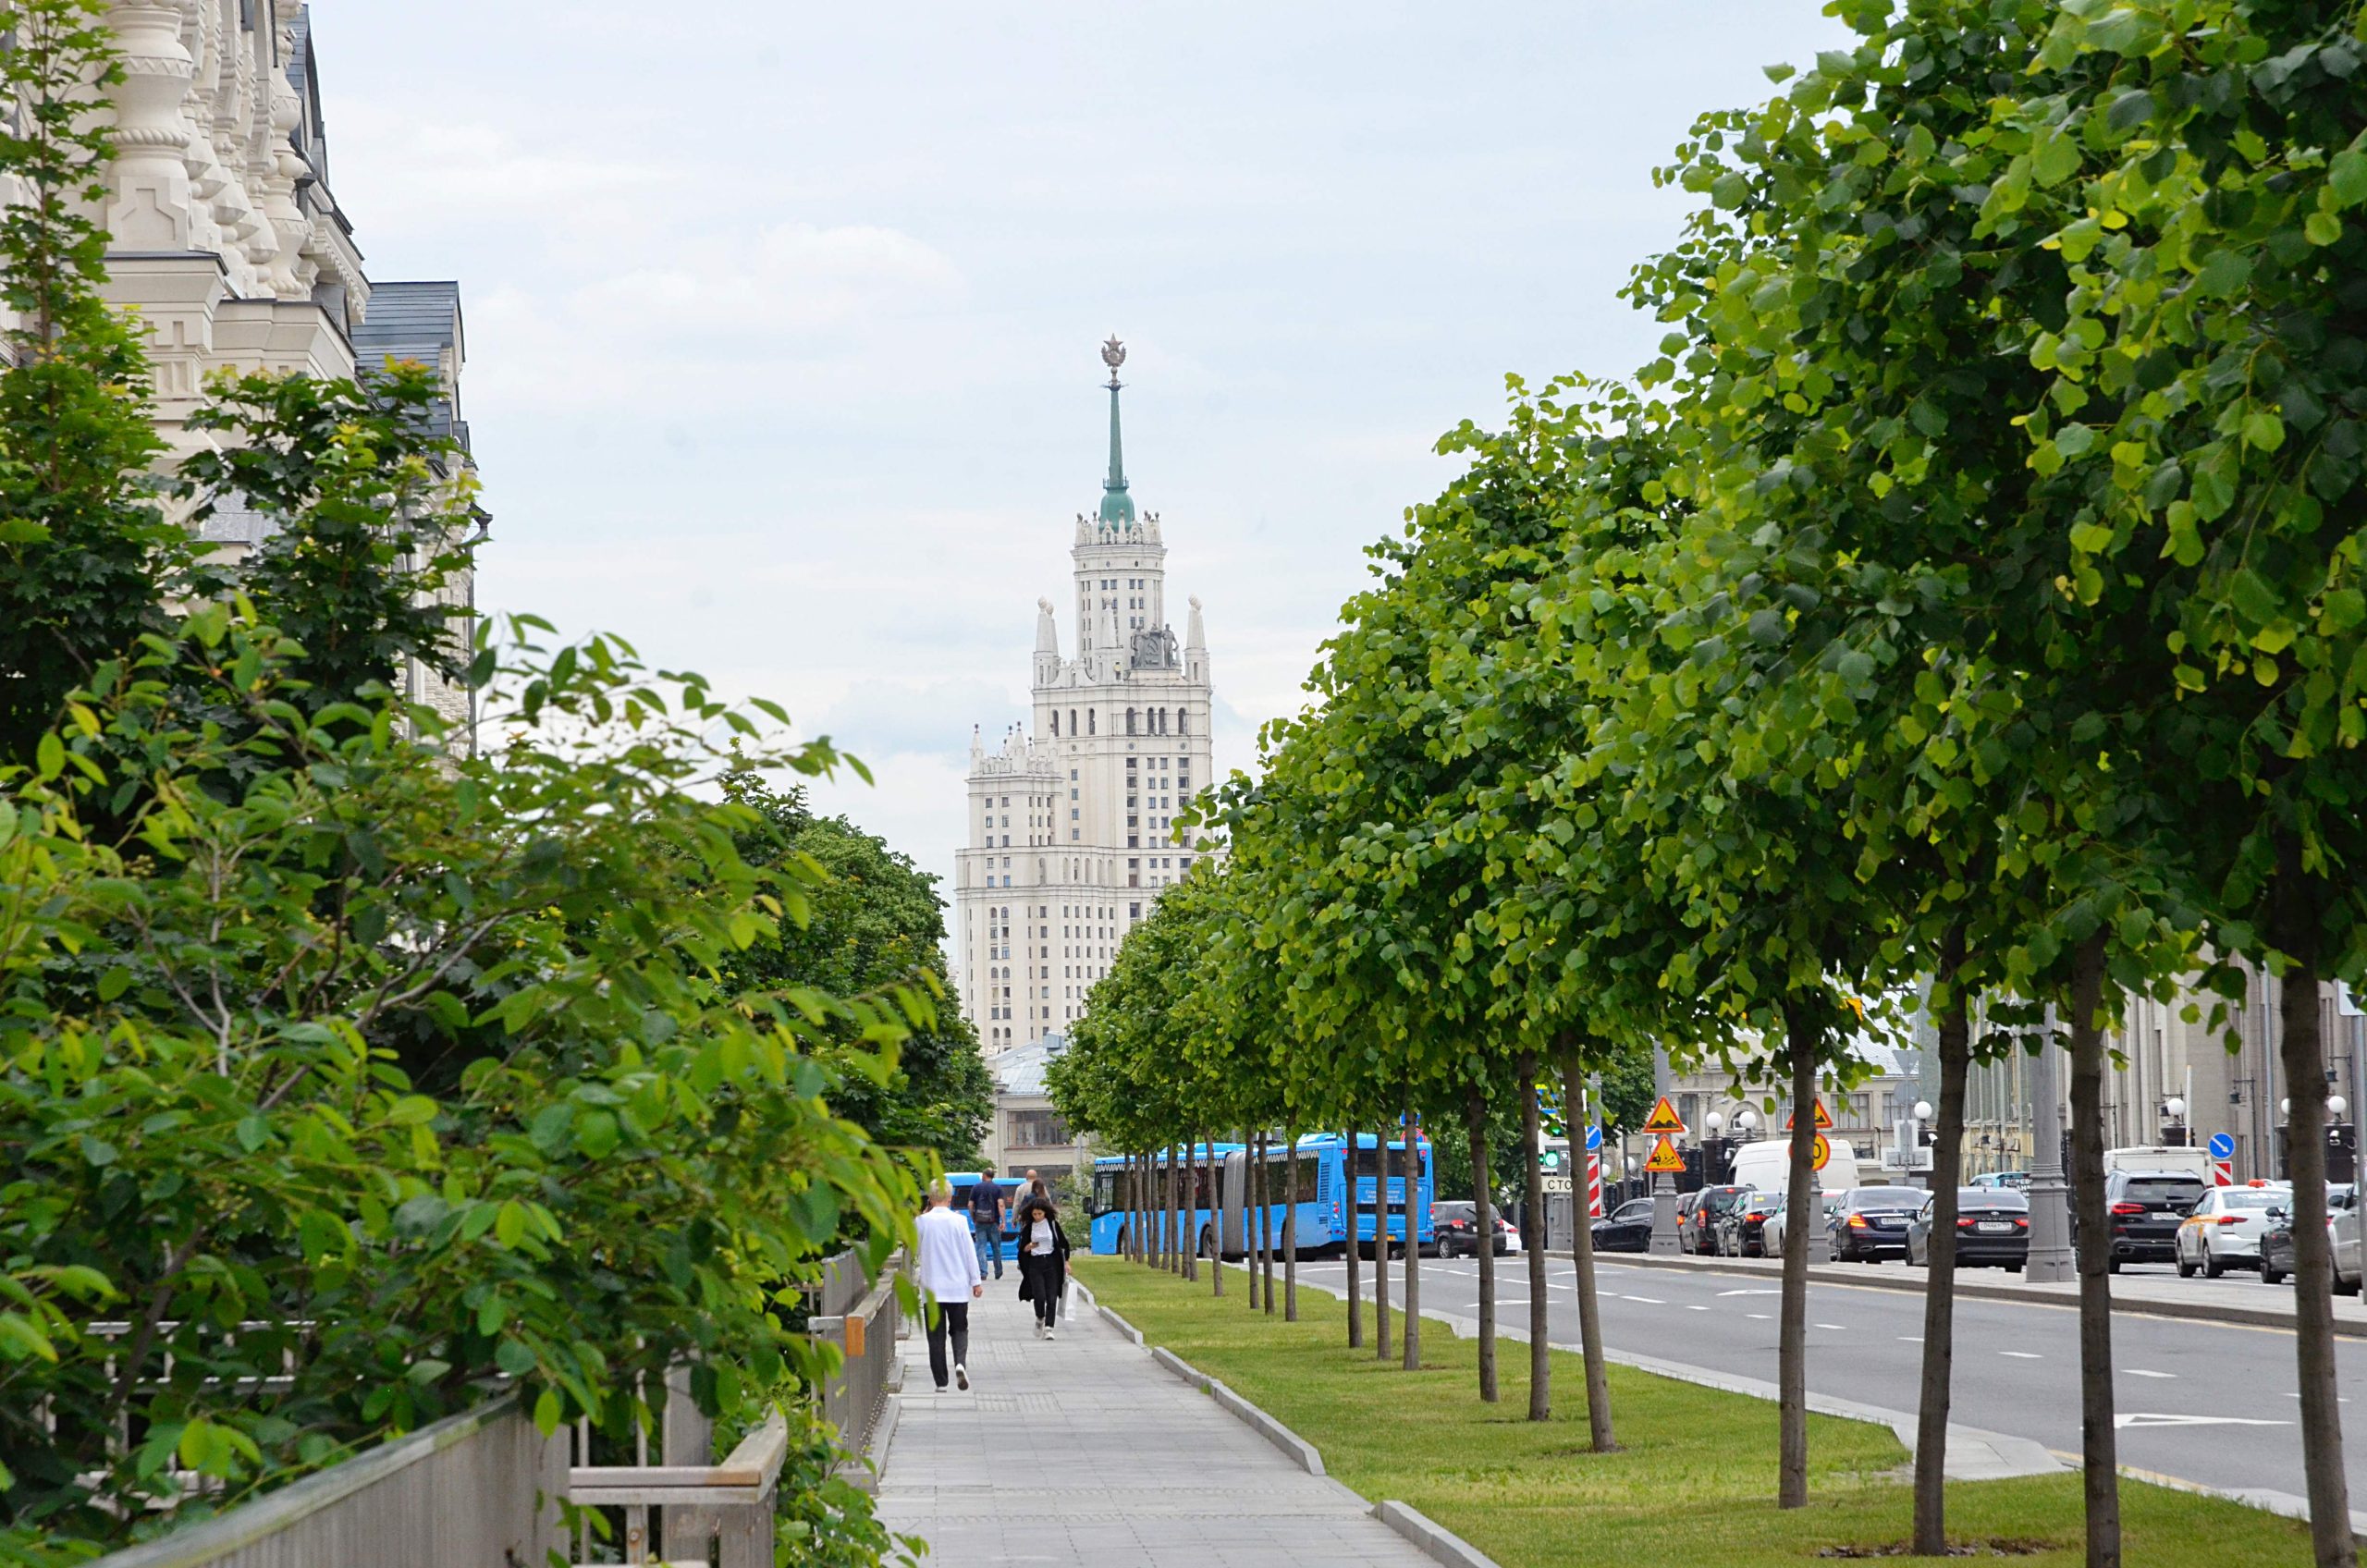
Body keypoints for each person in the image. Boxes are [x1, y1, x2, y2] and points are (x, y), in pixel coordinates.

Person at [915, 1181, 984, 1391]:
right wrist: (976, 1281)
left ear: (930, 1197)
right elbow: (969, 1252)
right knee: (959, 1328)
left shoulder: (921, 1221)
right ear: (950, 1197)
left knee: (935, 1335)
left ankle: (941, 1381)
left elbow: (915, 1250)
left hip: (932, 1287)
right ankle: (960, 1363)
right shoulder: (960, 1221)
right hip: (957, 1287)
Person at [1012, 1178, 1072, 1340]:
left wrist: (1066, 1262)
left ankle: (1049, 1328)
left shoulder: (1052, 1225)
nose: (1037, 1217)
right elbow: (1022, 1249)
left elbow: (1064, 1244)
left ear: (1045, 1212)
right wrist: (1029, 1247)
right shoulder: (1028, 1227)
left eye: (1040, 1214)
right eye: (1034, 1214)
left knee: (1052, 1296)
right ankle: (1040, 1316)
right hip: (1035, 1264)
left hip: (1051, 1263)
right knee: (1040, 1296)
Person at [965, 1172, 1007, 1280]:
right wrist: (1003, 1221)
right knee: (996, 1247)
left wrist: (974, 1217)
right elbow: (1001, 1204)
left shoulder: (976, 1187)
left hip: (980, 1222)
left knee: (981, 1247)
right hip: (994, 1222)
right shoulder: (998, 1188)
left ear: (984, 1176)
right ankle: (998, 1271)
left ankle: (983, 1272)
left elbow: (970, 1205)